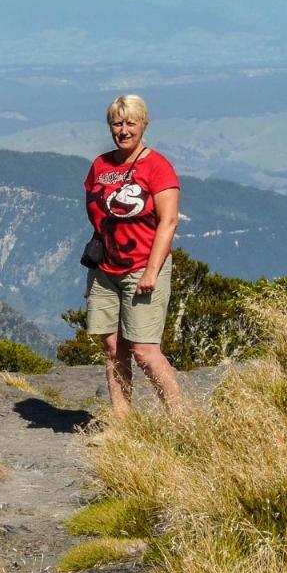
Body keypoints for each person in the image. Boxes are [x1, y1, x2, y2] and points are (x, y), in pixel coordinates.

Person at [83, 94, 183, 419]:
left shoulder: (157, 167)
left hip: (142, 267)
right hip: (105, 268)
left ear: (143, 124)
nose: (123, 130)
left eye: (130, 123)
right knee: (113, 348)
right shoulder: (100, 165)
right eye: (117, 123)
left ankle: (183, 420)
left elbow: (168, 221)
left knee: (144, 351)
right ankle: (122, 425)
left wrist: (151, 271)